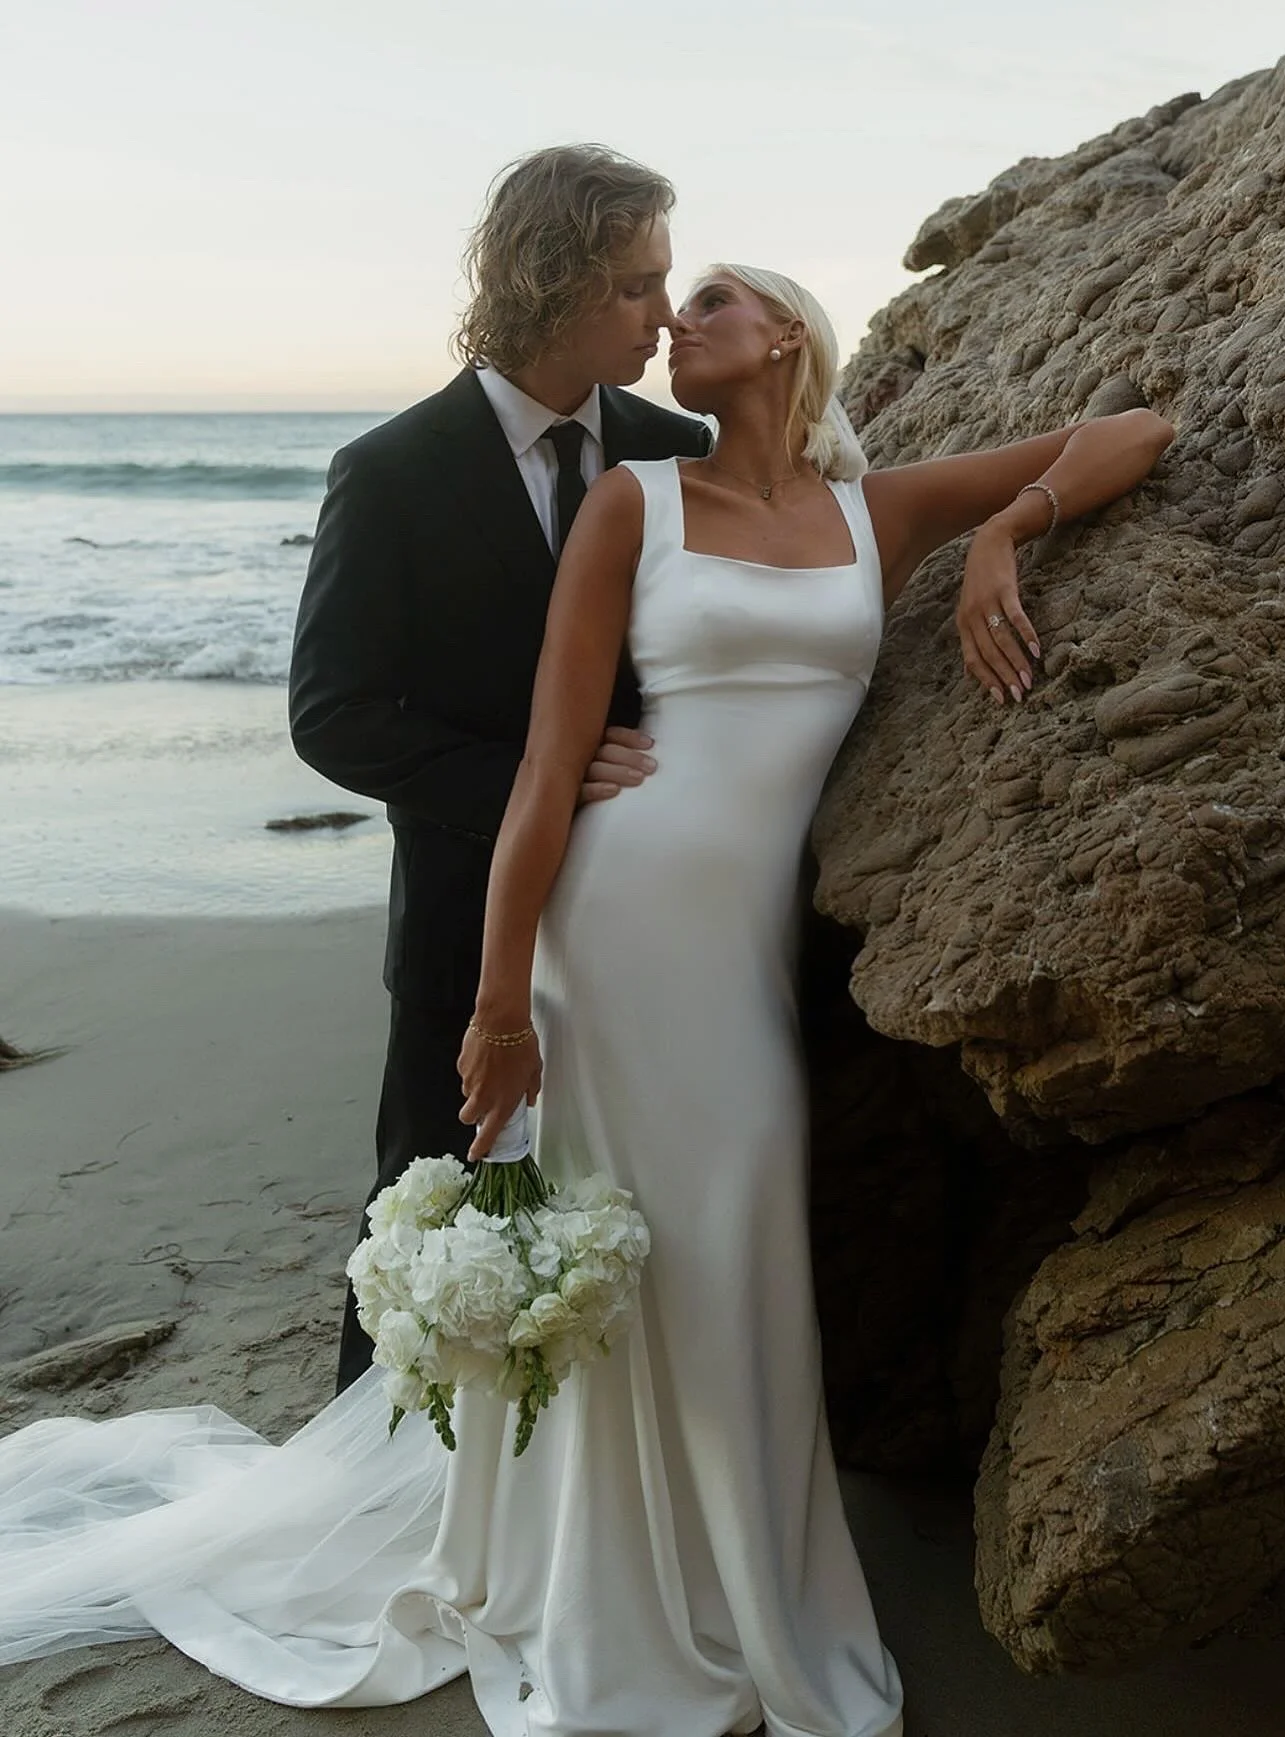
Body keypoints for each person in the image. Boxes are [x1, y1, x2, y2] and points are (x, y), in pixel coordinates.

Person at [0, 266, 1172, 1737]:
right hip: (604, 930)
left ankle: (748, 1590)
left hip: (735, 953)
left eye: (712, 300)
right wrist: (497, 1005)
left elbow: (1131, 427)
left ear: (786, 336)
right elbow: (551, 774)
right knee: (622, 1243)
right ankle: (611, 1588)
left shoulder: (877, 512)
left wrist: (1006, 530)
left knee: (731, 1240)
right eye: (664, 302)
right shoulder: (634, 502)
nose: (678, 320)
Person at [287, 143, 710, 1392]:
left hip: (645, 919)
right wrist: (542, 782)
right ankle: (370, 1489)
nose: (666, 315)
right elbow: (336, 715)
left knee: (616, 1200)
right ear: (556, 282)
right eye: (638, 286)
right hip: (463, 920)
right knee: (426, 1213)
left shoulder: (676, 448)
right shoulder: (392, 473)